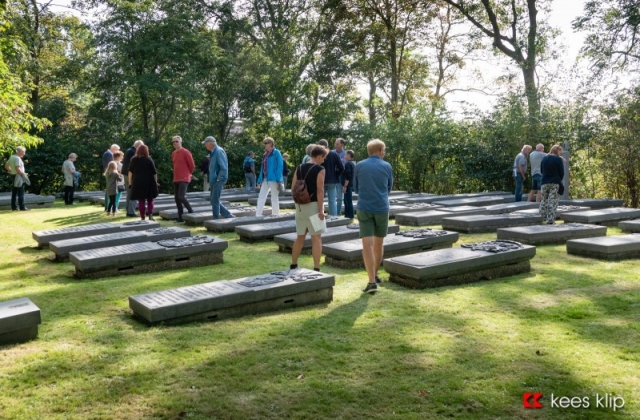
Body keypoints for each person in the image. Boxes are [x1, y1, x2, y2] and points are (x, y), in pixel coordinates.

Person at [354, 139, 393, 294]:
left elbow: (356, 187)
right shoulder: (387, 166)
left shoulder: (359, 165)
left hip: (364, 207)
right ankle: (375, 274)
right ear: (381, 151)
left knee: (367, 245)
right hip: (382, 207)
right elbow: (389, 187)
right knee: (379, 243)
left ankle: (371, 281)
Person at [290, 146, 327, 272]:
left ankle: (293, 264)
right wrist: (321, 210)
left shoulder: (299, 167)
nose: (323, 160)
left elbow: (293, 188)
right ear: (319, 156)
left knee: (300, 237)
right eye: (323, 158)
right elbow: (320, 191)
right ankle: (316, 267)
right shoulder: (320, 169)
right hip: (313, 207)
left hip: (299, 207)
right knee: (316, 238)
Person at [203, 136, 235, 219]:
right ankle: (228, 215)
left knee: (215, 200)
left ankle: (215, 219)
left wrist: (218, 178)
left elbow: (223, 167)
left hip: (218, 180)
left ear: (210, 143)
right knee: (213, 200)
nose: (205, 145)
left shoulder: (218, 151)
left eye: (205, 144)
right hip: (214, 179)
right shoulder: (213, 152)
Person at [128, 144, 159, 221]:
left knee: (141, 200)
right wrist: (156, 182)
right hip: (149, 181)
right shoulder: (149, 159)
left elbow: (130, 172)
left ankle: (142, 217)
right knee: (150, 199)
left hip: (137, 182)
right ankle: (150, 215)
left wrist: (130, 182)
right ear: (146, 151)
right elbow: (154, 172)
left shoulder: (133, 159)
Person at [255, 137, 284, 217]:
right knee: (261, 196)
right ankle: (258, 215)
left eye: (266, 143)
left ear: (271, 144)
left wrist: (278, 179)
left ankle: (275, 214)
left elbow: (280, 166)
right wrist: (259, 181)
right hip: (265, 178)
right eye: (264, 143)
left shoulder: (276, 153)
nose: (265, 145)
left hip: (274, 179)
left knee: (274, 197)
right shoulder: (265, 154)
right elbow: (262, 168)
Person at [171, 136, 195, 223]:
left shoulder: (186, 152)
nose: (175, 143)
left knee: (181, 196)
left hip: (184, 178)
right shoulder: (173, 153)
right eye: (173, 142)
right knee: (176, 198)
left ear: (180, 142)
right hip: (176, 178)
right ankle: (180, 217)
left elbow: (192, 165)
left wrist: (188, 174)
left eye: (176, 141)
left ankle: (191, 211)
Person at [540, 144, 565, 225]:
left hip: (544, 182)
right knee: (552, 201)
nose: (560, 154)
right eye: (560, 152)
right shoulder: (558, 159)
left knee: (543, 200)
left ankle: (540, 217)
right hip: (554, 182)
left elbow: (541, 170)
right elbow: (562, 173)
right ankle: (550, 220)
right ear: (558, 151)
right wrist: (558, 179)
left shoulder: (544, 158)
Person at [318, 139, 344, 216]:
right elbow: (341, 168)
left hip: (321, 179)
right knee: (332, 200)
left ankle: (320, 215)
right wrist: (336, 174)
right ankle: (333, 217)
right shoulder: (334, 154)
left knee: (320, 199)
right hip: (332, 180)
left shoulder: (318, 155)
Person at [122, 140, 143, 217]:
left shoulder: (128, 150)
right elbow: (134, 165)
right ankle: (131, 212)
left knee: (129, 193)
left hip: (125, 174)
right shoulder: (134, 152)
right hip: (131, 175)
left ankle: (128, 210)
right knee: (133, 193)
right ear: (138, 145)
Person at [4, 146, 29, 211]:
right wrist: (23, 175)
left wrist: (11, 171)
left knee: (14, 192)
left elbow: (6, 166)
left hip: (13, 175)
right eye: (23, 152)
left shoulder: (12, 157)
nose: (24, 154)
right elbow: (17, 168)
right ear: (19, 152)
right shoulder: (17, 158)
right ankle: (22, 207)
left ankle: (14, 207)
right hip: (18, 176)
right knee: (21, 192)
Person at [102, 144, 120, 212]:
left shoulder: (107, 153)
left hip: (108, 174)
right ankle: (109, 207)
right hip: (110, 175)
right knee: (110, 192)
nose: (118, 151)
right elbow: (111, 165)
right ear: (114, 149)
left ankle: (107, 207)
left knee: (109, 190)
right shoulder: (109, 154)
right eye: (117, 150)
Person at [341, 150, 356, 219]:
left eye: (346, 155)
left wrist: (345, 186)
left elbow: (348, 176)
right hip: (350, 185)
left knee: (348, 201)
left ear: (349, 155)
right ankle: (347, 215)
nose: (344, 156)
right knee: (346, 201)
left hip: (348, 185)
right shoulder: (353, 163)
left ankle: (350, 216)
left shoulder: (348, 164)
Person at [333, 138, 347, 214]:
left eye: (337, 144)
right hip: (331, 177)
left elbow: (345, 166)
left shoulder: (346, 154)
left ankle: (337, 213)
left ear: (342, 144)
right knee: (331, 197)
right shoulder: (331, 153)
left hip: (340, 178)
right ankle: (332, 212)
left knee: (339, 197)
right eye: (335, 143)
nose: (336, 145)